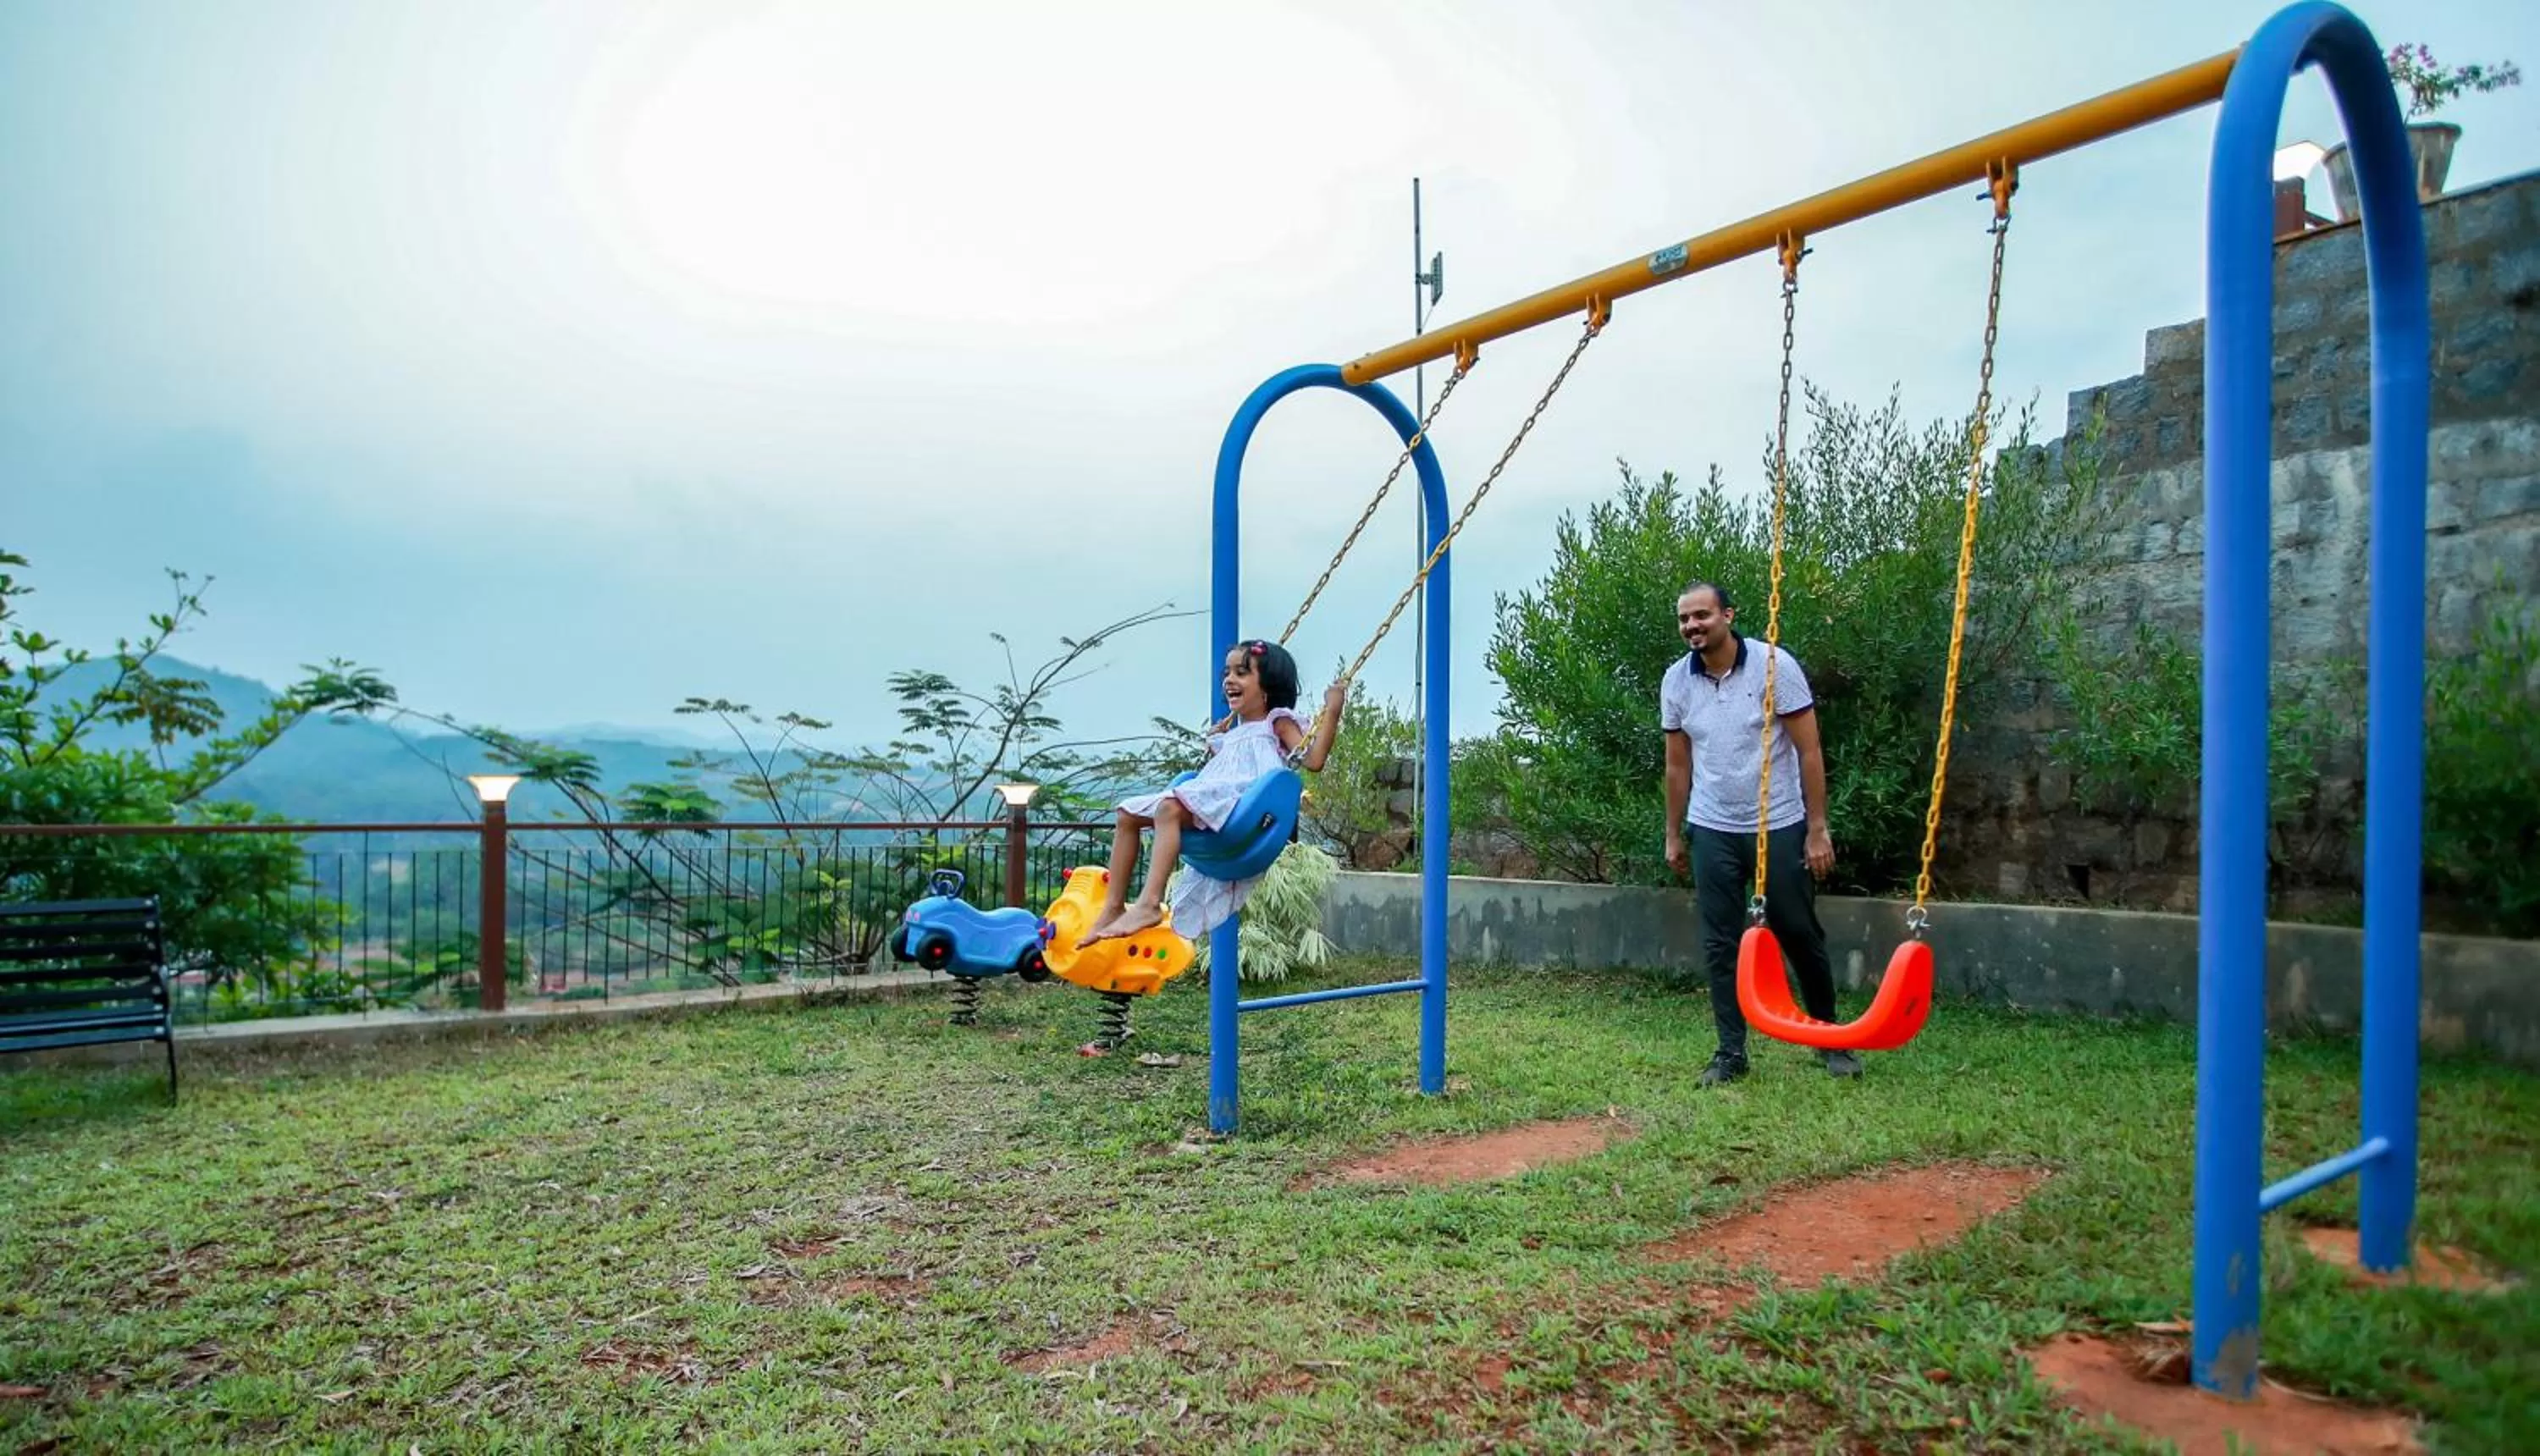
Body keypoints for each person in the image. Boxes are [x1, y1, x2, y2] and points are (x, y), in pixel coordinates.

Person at [1659, 580, 1859, 1084]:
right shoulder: (1677, 682)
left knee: (1798, 932)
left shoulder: (1775, 667)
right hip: (1713, 827)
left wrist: (1817, 829)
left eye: (1701, 615)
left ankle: (1828, 1037)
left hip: (1780, 823)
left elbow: (1810, 752)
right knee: (1720, 942)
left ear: (1728, 615)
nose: (1692, 626)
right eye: (1684, 619)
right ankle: (1731, 1053)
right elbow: (1677, 767)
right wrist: (1673, 834)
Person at [1081, 638, 1345, 945]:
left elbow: (1313, 760)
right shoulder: (1231, 733)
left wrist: (1333, 711)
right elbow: (1215, 775)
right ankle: (1112, 908)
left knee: (1167, 809)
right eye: (1227, 673)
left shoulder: (1277, 722)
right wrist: (1217, 744)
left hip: (1243, 805)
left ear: (1267, 687)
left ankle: (1149, 903)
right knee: (1126, 814)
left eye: (1242, 673)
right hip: (1216, 798)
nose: (1229, 680)